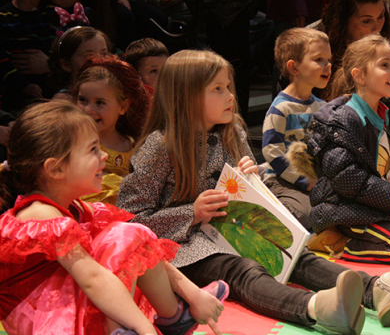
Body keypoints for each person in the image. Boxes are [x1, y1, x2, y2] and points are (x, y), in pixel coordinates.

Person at [116, 49, 390, 334]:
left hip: (236, 228)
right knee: (244, 270)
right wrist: (193, 212)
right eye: (217, 89)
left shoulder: (231, 131)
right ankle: (317, 308)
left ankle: (378, 290)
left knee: (296, 254)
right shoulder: (160, 146)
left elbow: (243, 193)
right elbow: (129, 222)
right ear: (185, 98)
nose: (231, 96)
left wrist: (251, 181)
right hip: (185, 249)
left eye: (228, 87)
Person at [0, 100, 226, 335]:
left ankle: (176, 316)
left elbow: (144, 247)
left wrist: (193, 294)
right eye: (92, 150)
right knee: (124, 235)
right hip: (42, 319)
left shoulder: (77, 208)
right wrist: (144, 327)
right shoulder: (41, 214)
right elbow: (93, 279)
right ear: (56, 169)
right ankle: (124, 329)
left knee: (131, 234)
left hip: (60, 305)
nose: (104, 156)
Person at [288, 34, 390, 266]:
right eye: (385, 65)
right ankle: (337, 242)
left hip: (378, 206)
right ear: (360, 75)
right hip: (346, 209)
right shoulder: (343, 119)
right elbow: (346, 177)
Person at [262, 28, 330, 230]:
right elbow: (272, 152)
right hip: (283, 180)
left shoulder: (322, 106)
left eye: (328, 59)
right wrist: (303, 181)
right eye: (319, 59)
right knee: (305, 215)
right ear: (294, 67)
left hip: (314, 180)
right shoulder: (281, 109)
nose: (328, 65)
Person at [311, 0, 390, 100]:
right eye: (366, 21)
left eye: (381, 17)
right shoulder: (313, 42)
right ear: (343, 20)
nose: (377, 28)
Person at [74, 55, 151, 204]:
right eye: (82, 100)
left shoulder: (133, 145)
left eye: (100, 103)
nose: (88, 110)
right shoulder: (74, 143)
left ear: (123, 107)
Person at [0, 0, 58, 114]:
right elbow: (2, 60)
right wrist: (23, 85)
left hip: (49, 95)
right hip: (13, 96)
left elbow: (60, 51)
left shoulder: (52, 15)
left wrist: (50, 65)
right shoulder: (3, 17)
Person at [48, 26, 111, 100]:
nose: (99, 60)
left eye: (104, 54)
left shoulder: (110, 91)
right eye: (89, 56)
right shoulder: (64, 100)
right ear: (66, 65)